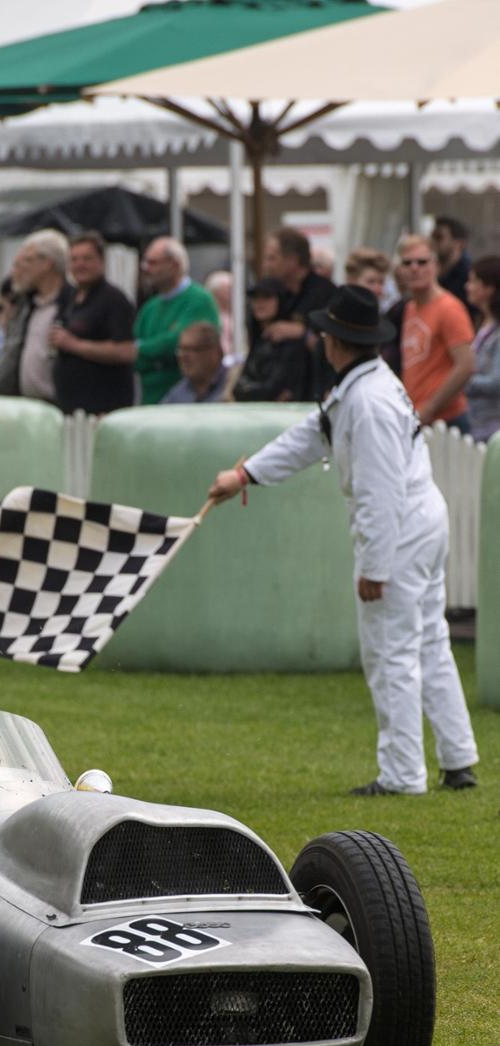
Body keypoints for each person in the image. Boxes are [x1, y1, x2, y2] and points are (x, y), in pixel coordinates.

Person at [208, 284, 478, 797]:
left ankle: (402, 776)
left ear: (335, 341)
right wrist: (246, 474)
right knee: (428, 644)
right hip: (420, 521)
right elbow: (313, 434)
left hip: (400, 529)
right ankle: (457, 757)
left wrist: (375, 566)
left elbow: (380, 491)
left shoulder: (367, 399)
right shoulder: (366, 384)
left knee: (391, 652)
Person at [0, 230, 73, 402]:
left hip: (63, 408)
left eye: (27, 260)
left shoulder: (74, 304)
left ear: (47, 264)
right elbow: (9, 360)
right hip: (27, 406)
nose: (19, 269)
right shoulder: (27, 306)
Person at [50, 230, 135, 415]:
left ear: (102, 261)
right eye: (74, 259)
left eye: (87, 258)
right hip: (71, 407)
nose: (80, 265)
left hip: (102, 409)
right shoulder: (70, 297)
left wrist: (74, 345)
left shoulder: (114, 299)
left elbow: (125, 351)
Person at [398, 233, 474, 435]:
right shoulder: (410, 308)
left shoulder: (449, 308)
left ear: (436, 266)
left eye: (422, 262)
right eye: (408, 263)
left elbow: (466, 365)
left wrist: (429, 408)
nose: (415, 268)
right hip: (418, 417)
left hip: (447, 420)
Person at [133, 236, 219, 406]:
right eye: (145, 263)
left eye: (153, 263)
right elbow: (134, 356)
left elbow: (177, 342)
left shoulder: (199, 300)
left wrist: (146, 349)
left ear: (175, 264)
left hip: (188, 406)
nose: (146, 269)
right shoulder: (149, 307)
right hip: (150, 403)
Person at [256, 227, 336, 398]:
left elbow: (334, 347)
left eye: (272, 258)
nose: (266, 265)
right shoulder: (276, 293)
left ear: (292, 260)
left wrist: (301, 332)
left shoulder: (325, 293)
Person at [231, 277, 309, 404]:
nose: (260, 303)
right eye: (256, 298)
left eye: (267, 297)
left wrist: (249, 391)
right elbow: (238, 388)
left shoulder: (290, 342)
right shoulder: (259, 339)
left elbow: (274, 389)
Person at [464, 255, 500, 443]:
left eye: (473, 281)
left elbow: (496, 381)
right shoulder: (483, 324)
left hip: (492, 428)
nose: (467, 286)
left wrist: (461, 380)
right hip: (477, 424)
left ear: (489, 287)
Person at [161, 323, 228, 404]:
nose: (182, 357)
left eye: (191, 350)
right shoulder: (178, 393)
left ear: (215, 353)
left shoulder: (234, 385)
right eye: (180, 350)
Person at [432, 216, 472, 314]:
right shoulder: (432, 272)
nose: (433, 242)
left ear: (459, 243)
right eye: (432, 236)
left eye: (439, 237)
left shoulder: (469, 276)